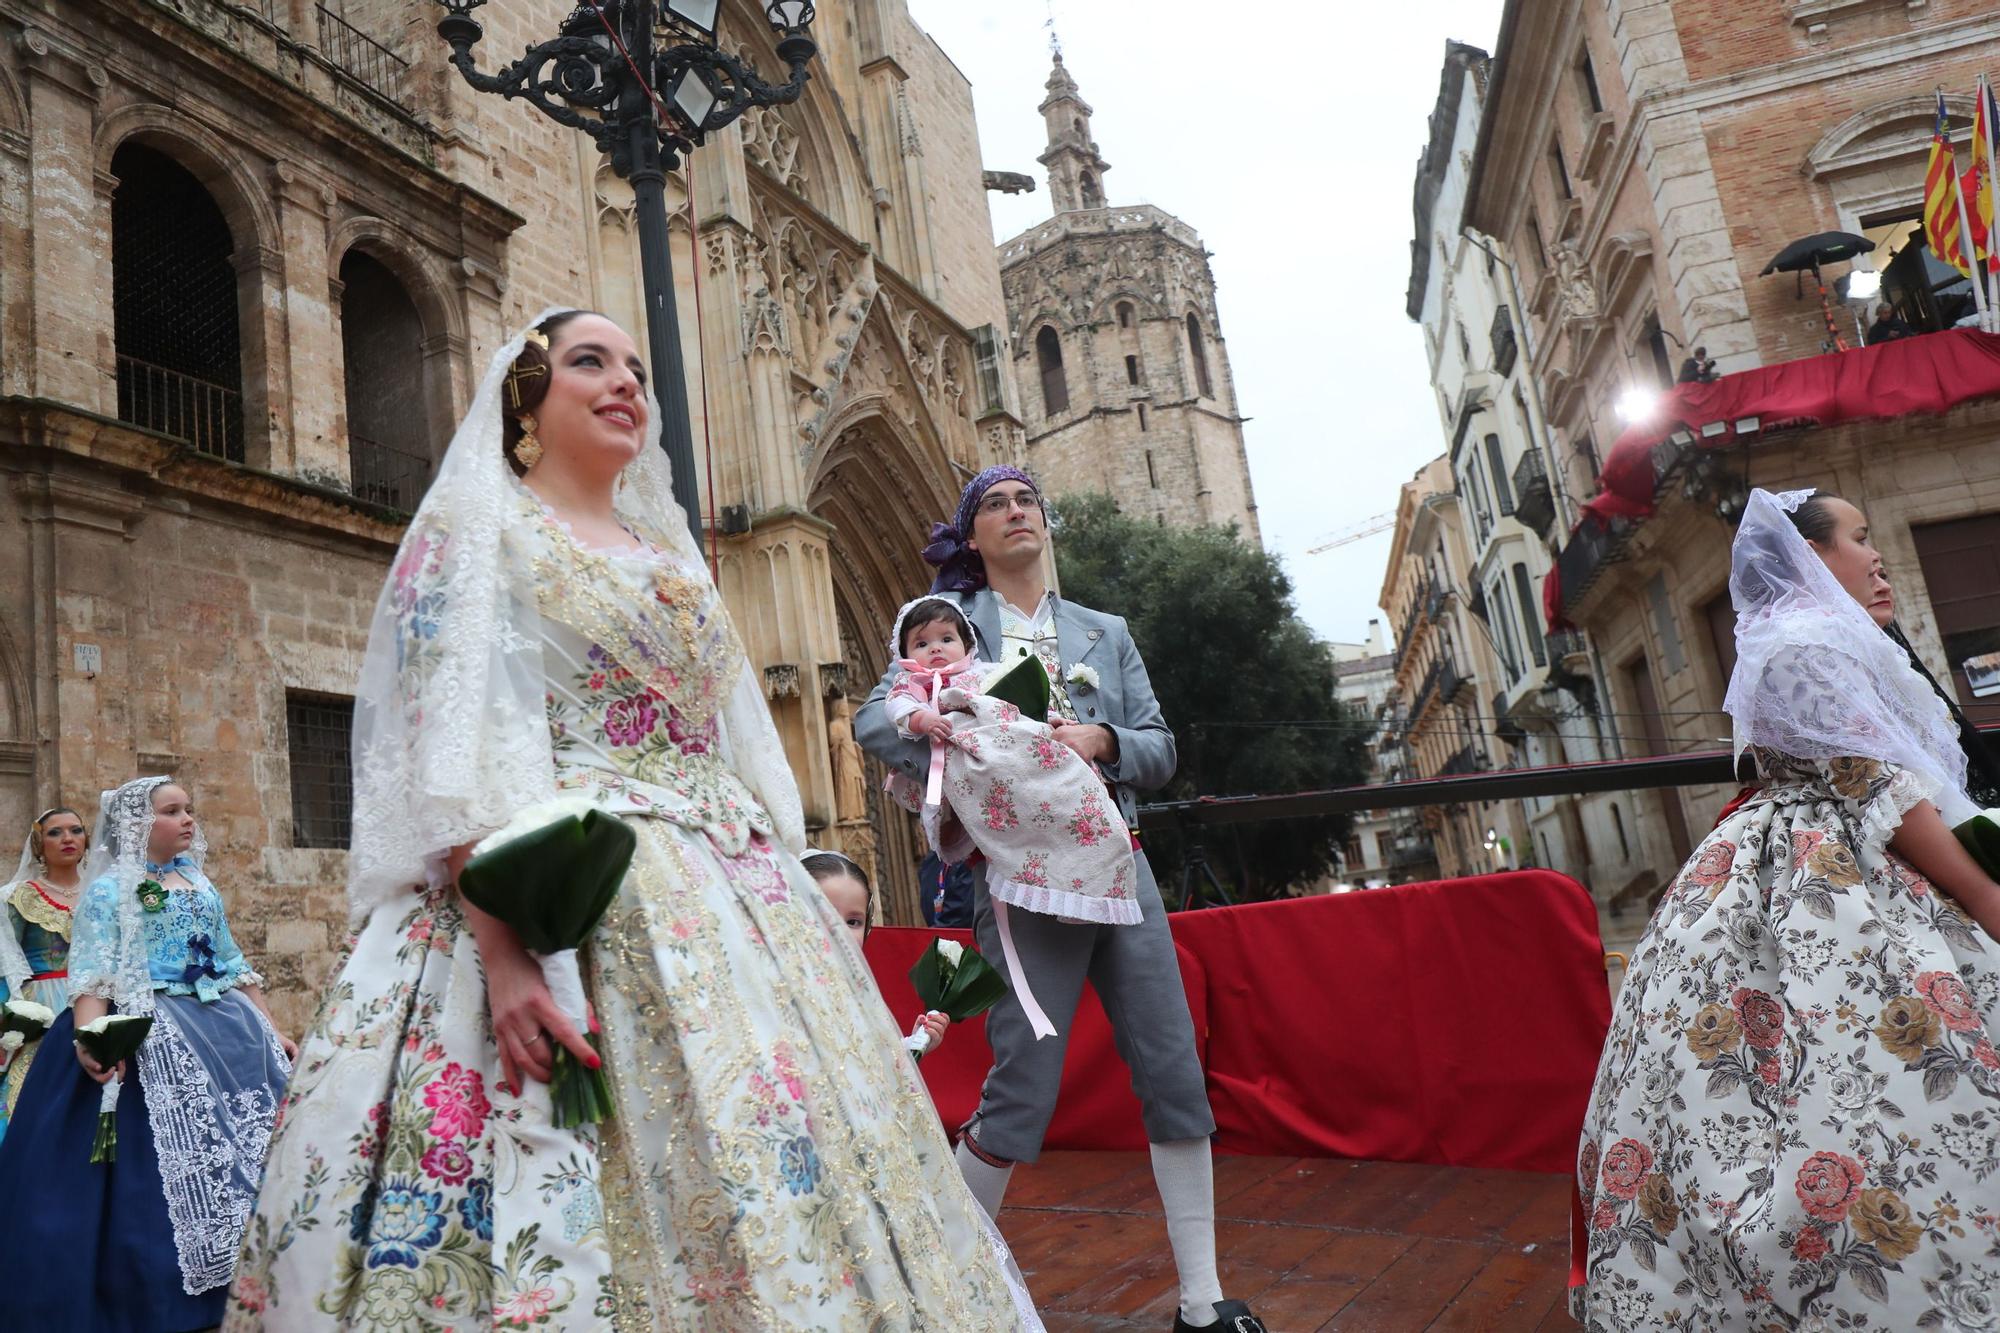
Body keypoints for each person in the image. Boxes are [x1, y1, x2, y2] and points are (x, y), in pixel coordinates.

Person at [228, 311, 1042, 1330]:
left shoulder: (668, 551)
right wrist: (509, 953)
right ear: (526, 402)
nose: (623, 383)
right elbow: (454, 746)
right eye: (588, 363)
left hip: (731, 897)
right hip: (567, 891)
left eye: (635, 369)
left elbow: (726, 731)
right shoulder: (482, 531)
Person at [1572, 489, 2000, 1330]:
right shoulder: (1804, 646)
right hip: (1833, 870)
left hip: (1815, 854)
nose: (1877, 558)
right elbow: (1876, 787)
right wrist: (1985, 893)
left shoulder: (1822, 639)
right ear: (1810, 555)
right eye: (1859, 539)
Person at [857, 467, 1268, 1333]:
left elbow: (1158, 747)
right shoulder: (950, 627)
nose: (1016, 514)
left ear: (1045, 524)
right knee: (1024, 1087)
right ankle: (944, 1291)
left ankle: (1202, 1300)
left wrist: (1102, 737)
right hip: (1015, 880)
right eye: (995, 507)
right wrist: (936, 721)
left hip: (1119, 866)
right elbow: (871, 721)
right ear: (972, 537)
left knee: (1172, 1066)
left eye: (1027, 503)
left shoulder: (1103, 631)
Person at [0, 777, 293, 1331]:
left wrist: (269, 1027)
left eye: (189, 810)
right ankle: (157, 1292)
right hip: (149, 1027)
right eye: (172, 811)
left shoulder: (199, 882)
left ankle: (259, 1272)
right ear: (138, 824)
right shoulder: (110, 890)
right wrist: (91, 1040)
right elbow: (92, 973)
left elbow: (230, 960)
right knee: (149, 1171)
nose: (188, 820)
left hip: (226, 1025)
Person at [802, 848, 948, 1058]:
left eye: (853, 922)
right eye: (825, 916)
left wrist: (914, 1044)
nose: (840, 931)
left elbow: (871, 1058)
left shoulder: (857, 987)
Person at [0, 805, 89, 1141]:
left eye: (76, 830)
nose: (68, 838)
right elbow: (6, 963)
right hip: (43, 1006)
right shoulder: (18, 898)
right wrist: (12, 1019)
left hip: (97, 999)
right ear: (39, 844)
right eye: (55, 832)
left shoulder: (103, 894)